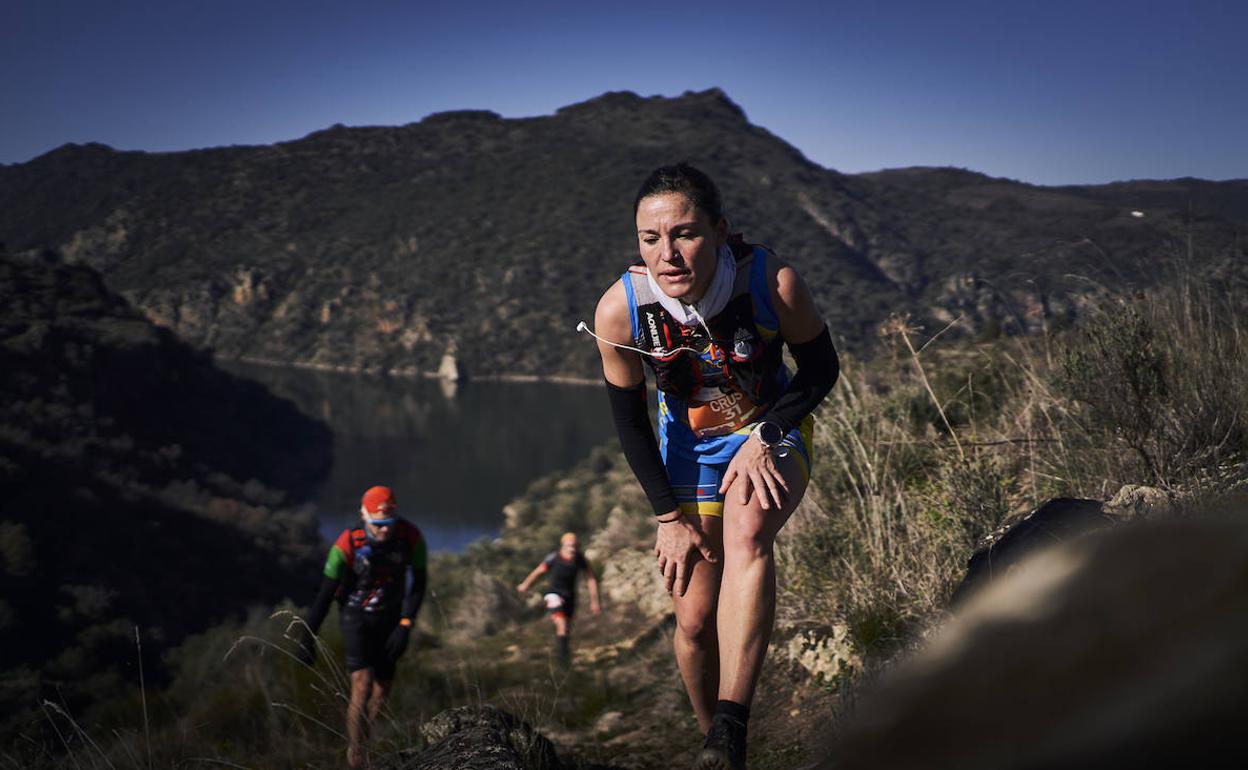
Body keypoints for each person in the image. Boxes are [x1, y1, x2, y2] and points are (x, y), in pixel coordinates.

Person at [586, 163, 838, 770]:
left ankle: (731, 728)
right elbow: (630, 420)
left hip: (767, 428)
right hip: (688, 452)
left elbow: (821, 369)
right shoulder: (621, 311)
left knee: (748, 533)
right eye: (651, 239)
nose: (667, 254)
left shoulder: (770, 282)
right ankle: (714, 749)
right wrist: (667, 516)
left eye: (685, 234)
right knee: (695, 623)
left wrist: (769, 431)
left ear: (721, 232)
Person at [297, 485, 428, 769]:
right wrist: (306, 637)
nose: (384, 530)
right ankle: (356, 753)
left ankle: (367, 740)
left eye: (388, 524)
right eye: (378, 524)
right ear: (364, 515)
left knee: (382, 690)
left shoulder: (410, 536)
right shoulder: (347, 544)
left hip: (391, 617)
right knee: (362, 683)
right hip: (355, 617)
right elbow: (324, 595)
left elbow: (419, 583)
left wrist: (405, 624)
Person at [516, 532, 601, 664]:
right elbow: (538, 572)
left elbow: (590, 579)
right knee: (561, 625)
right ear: (563, 546)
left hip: (570, 596)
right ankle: (562, 662)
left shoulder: (580, 559)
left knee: (566, 628)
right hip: (554, 594)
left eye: (575, 546)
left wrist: (594, 601)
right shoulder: (554, 557)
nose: (572, 548)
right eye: (569, 545)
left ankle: (563, 655)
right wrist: (525, 585)